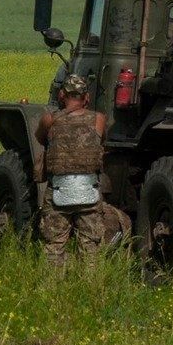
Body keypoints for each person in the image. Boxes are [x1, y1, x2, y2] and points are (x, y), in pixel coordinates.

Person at [35, 75, 120, 259]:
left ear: (61, 95)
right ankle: (89, 278)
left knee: (54, 246)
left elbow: (41, 139)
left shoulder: (49, 120)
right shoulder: (99, 119)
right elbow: (101, 141)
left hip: (58, 191)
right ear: (86, 97)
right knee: (91, 248)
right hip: (89, 192)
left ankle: (52, 278)